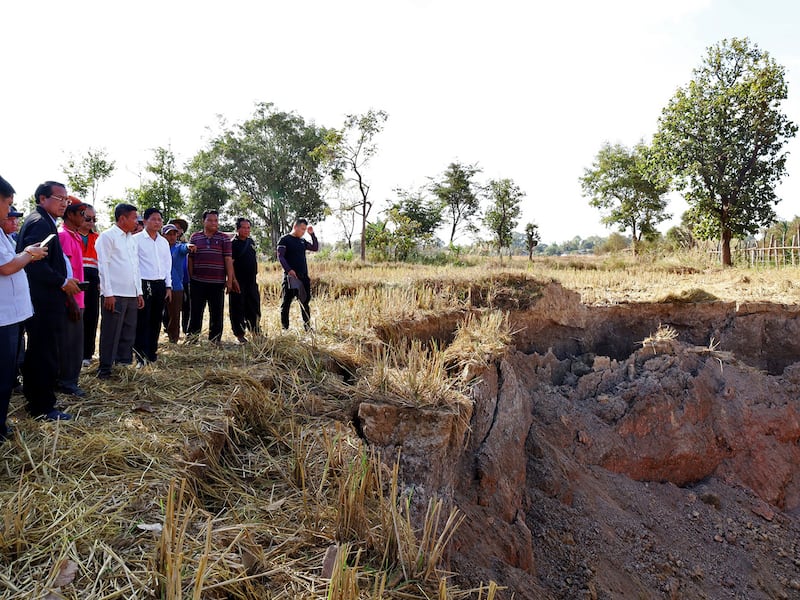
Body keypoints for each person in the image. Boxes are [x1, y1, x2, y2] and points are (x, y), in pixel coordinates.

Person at [16, 181, 79, 420]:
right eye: (59, 198)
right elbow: (35, 265)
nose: (64, 203)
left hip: (43, 299)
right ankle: (43, 407)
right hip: (42, 300)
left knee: (40, 351)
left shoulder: (43, 221)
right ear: (42, 199)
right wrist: (62, 282)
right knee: (44, 351)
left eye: (66, 199)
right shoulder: (40, 224)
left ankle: (37, 399)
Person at [0, 176, 49, 440]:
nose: (10, 210)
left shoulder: (2, 233)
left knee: (7, 374)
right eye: (7, 203)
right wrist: (30, 253)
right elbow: (7, 267)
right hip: (3, 317)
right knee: (2, 376)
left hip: (10, 316)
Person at [96, 203, 143, 379]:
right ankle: (105, 369)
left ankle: (123, 365)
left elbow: (135, 266)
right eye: (133, 218)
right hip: (114, 294)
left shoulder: (131, 238)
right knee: (111, 332)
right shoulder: (108, 237)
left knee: (128, 331)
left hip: (131, 293)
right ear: (122, 218)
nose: (136, 222)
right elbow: (103, 265)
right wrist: (108, 293)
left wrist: (139, 292)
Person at [187, 210, 238, 343]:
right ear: (203, 221)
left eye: (216, 220)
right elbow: (190, 259)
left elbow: (228, 260)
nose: (213, 223)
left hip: (217, 282)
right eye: (210, 220)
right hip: (198, 282)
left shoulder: (224, 238)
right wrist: (192, 276)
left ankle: (215, 340)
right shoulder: (195, 237)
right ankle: (192, 339)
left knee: (216, 312)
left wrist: (230, 280)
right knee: (196, 312)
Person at [56, 202, 88, 396]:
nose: (84, 217)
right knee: (70, 344)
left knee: (75, 342)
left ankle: (70, 380)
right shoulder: (64, 237)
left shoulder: (74, 236)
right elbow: (64, 273)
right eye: (81, 213)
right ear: (69, 215)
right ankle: (67, 382)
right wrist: (72, 302)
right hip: (71, 299)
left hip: (79, 297)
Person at [277, 217, 319, 330]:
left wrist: (312, 234)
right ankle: (285, 328)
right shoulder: (284, 239)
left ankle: (307, 327)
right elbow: (280, 256)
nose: (303, 231)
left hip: (303, 277)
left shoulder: (302, 241)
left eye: (305, 229)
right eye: (302, 229)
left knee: (305, 302)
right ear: (295, 227)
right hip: (291, 278)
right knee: (286, 303)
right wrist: (289, 270)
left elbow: (315, 248)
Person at [229, 218, 261, 343]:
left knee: (254, 306)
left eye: (248, 228)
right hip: (238, 281)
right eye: (244, 227)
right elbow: (230, 263)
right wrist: (233, 280)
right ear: (237, 229)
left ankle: (255, 330)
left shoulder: (251, 241)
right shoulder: (232, 244)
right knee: (238, 308)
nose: (247, 230)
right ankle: (239, 334)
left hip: (251, 281)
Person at [162, 223, 194, 343]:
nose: (171, 237)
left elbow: (185, 247)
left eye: (174, 234)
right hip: (158, 285)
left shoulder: (178, 248)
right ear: (163, 235)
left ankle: (173, 339)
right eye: (169, 234)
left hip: (176, 286)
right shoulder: (158, 247)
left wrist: (189, 246)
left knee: (175, 315)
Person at [78, 203, 100, 367]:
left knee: (92, 316)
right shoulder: (69, 235)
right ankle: (74, 352)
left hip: (94, 280)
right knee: (76, 317)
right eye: (87, 218)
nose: (91, 222)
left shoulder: (98, 238)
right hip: (76, 279)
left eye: (94, 219)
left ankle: (87, 354)